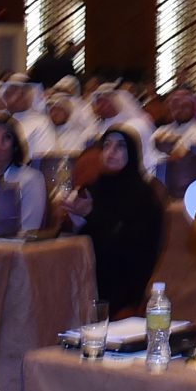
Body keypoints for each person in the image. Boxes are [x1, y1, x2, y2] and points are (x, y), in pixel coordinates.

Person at [58, 126, 167, 314]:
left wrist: (90, 215)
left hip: (123, 285)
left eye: (120, 146)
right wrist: (75, 219)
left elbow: (130, 248)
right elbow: (81, 239)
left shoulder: (143, 196)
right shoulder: (91, 189)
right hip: (85, 279)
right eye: (106, 146)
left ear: (131, 153)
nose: (111, 152)